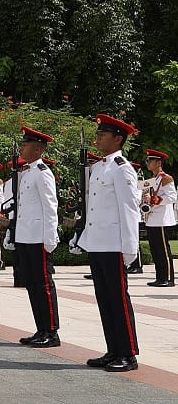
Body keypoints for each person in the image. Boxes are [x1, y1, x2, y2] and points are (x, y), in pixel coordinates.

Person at [76, 114, 140, 372]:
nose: (98, 138)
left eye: (103, 134)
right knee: (104, 298)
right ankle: (113, 349)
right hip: (98, 242)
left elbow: (129, 210)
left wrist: (130, 247)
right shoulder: (100, 167)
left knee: (118, 299)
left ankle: (128, 353)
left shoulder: (123, 168)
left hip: (114, 243)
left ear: (118, 138)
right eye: (98, 133)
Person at [12, 127, 62, 348]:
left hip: (39, 237)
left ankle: (51, 331)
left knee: (43, 284)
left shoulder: (43, 172)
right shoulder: (28, 171)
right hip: (26, 236)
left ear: (38, 149)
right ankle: (40, 328)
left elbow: (51, 206)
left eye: (26, 144)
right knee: (32, 283)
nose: (22, 147)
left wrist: (50, 237)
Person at [143, 149, 176, 287]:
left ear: (158, 162)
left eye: (151, 161)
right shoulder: (153, 179)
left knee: (163, 249)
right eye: (148, 160)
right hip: (152, 218)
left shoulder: (166, 178)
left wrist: (153, 199)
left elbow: (172, 197)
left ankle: (168, 278)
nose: (148, 163)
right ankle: (160, 277)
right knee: (156, 250)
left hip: (161, 218)